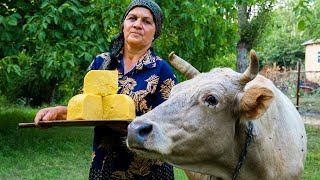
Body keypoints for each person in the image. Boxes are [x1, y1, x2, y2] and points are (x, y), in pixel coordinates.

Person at [34, 0, 178, 179]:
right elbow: (86, 108)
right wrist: (58, 112)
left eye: (146, 21)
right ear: (123, 25)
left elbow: (171, 123)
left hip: (147, 169)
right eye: (132, 18)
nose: (137, 25)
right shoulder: (101, 63)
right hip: (104, 165)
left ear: (155, 31)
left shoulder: (161, 70)